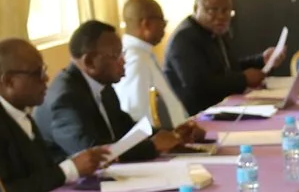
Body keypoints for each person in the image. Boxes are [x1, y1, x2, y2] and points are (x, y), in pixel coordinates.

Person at [0, 37, 118, 192]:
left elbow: (40, 171)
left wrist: (81, 162)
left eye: (44, 70)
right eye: (37, 73)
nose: (46, 78)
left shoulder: (19, 109)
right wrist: (69, 169)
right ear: (9, 81)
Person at [40, 18, 204, 159]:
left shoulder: (104, 86)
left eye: (122, 54)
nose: (123, 61)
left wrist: (173, 134)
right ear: (90, 61)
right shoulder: (66, 99)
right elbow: (93, 154)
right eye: (116, 55)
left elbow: (127, 130)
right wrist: (153, 146)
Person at [161, 0, 270, 115]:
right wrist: (243, 79)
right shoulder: (185, 38)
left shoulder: (214, 31)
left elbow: (228, 68)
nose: (221, 16)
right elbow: (200, 86)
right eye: (212, 10)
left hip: (221, 108)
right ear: (196, 8)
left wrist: (261, 60)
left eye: (226, 11)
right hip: (196, 117)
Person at [111, 0, 192, 130]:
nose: (164, 27)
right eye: (162, 22)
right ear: (146, 24)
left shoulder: (143, 55)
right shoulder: (135, 60)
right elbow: (136, 114)